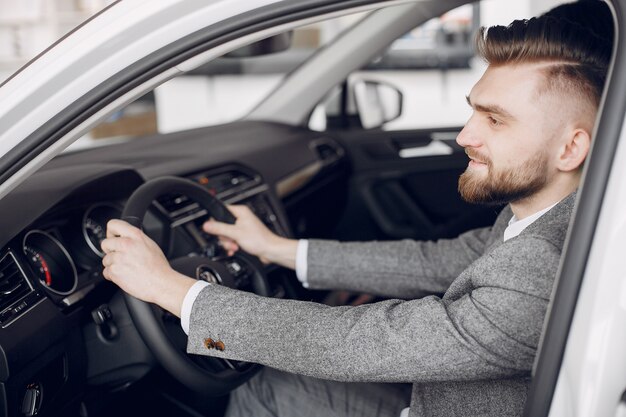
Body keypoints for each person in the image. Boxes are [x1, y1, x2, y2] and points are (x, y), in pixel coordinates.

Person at [101, 1, 613, 416]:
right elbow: (436, 262)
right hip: (437, 395)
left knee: (265, 390)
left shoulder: (539, 266)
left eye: (494, 120)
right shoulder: (554, 211)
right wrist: (278, 249)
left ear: (571, 148)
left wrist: (170, 289)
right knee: (274, 383)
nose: (464, 136)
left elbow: (355, 343)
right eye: (472, 110)